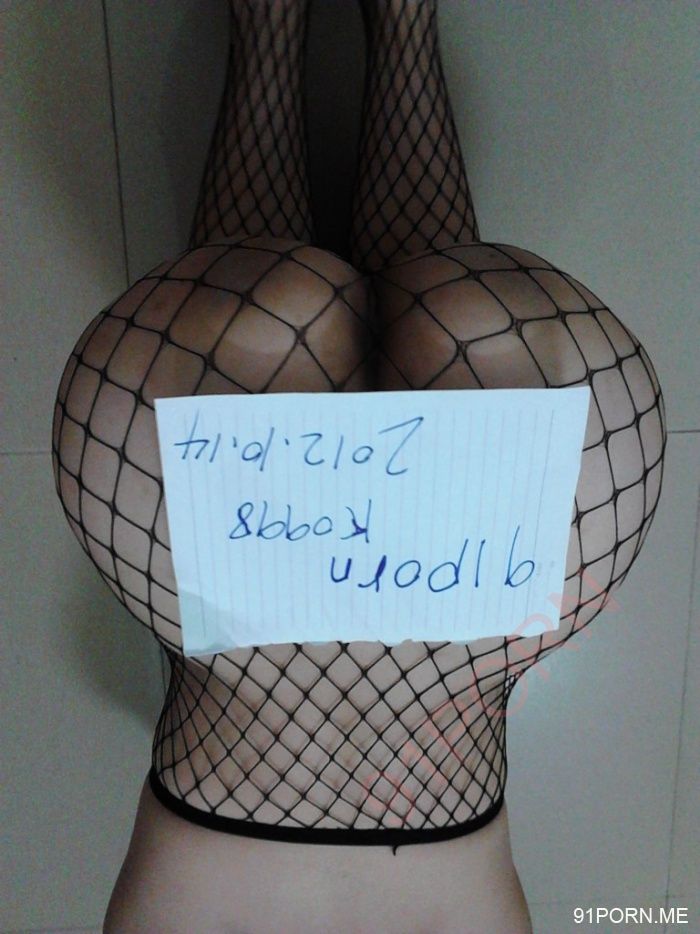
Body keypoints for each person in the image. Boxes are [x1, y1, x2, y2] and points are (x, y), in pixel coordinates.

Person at [51, 1, 665, 931]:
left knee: (467, 324)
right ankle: (272, 34)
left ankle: (398, 25)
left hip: (469, 643)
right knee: (268, 314)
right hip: (234, 670)